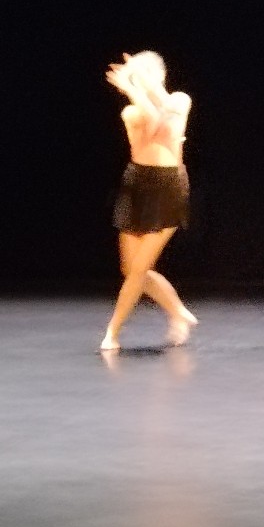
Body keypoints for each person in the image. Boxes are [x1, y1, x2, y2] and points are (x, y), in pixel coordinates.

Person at [100, 50, 197, 351]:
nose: (142, 81)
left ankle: (112, 332)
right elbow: (152, 121)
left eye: (147, 75)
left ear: (161, 76)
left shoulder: (180, 100)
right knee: (131, 269)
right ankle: (178, 312)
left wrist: (136, 85)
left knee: (140, 269)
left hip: (169, 188)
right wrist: (134, 89)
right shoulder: (131, 113)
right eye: (137, 77)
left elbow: (162, 117)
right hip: (137, 186)